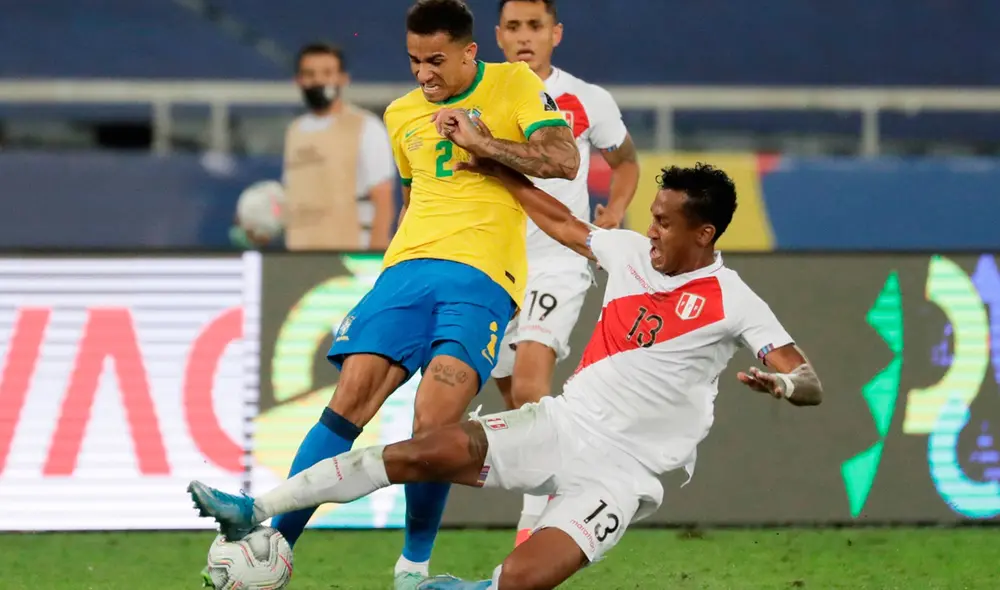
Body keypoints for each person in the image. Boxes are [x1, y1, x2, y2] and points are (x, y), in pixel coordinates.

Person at [188, 160, 824, 590]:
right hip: (561, 425)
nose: (649, 229)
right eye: (652, 216)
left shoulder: (734, 299)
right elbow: (560, 222)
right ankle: (257, 509)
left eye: (664, 221)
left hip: (624, 474)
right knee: (418, 452)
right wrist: (497, 170)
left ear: (703, 232)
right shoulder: (629, 252)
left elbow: (810, 380)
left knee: (520, 582)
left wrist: (783, 385)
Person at [246, 1, 579, 588]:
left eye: (436, 61)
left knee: (435, 419)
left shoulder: (513, 83)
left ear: (470, 53)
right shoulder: (401, 115)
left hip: (482, 276)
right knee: (351, 395)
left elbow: (564, 160)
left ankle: (413, 568)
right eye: (414, 61)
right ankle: (272, 551)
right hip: (406, 271)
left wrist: (486, 144)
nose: (424, 74)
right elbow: (410, 198)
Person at [491, 0, 641, 546]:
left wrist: (616, 209)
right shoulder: (484, 95)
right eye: (514, 27)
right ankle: (573, 483)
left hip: (557, 262)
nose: (525, 37)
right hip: (495, 265)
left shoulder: (585, 99)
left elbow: (625, 162)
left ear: (556, 33)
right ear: (498, 36)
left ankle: (531, 536)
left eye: (535, 27)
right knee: (516, 403)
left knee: (531, 388)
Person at [232, 42, 397, 251]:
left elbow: (382, 195)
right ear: (299, 80)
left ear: (343, 78)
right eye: (309, 74)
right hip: (301, 255)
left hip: (350, 252)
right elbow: (295, 196)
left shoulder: (366, 126)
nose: (318, 80)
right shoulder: (295, 131)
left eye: (327, 73)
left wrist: (377, 254)